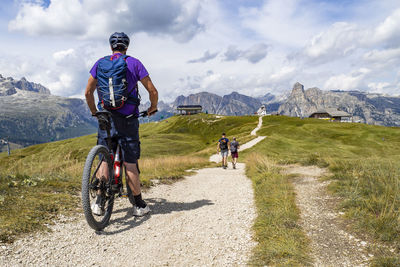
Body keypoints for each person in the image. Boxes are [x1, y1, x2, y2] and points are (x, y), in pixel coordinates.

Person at [84, 32, 158, 217]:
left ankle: (99, 202)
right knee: (130, 162)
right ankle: (139, 205)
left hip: (106, 118)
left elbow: (87, 93)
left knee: (104, 158)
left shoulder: (100, 63)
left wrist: (95, 112)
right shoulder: (134, 63)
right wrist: (153, 107)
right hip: (128, 120)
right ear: (127, 46)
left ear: (111, 47)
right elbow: (152, 91)